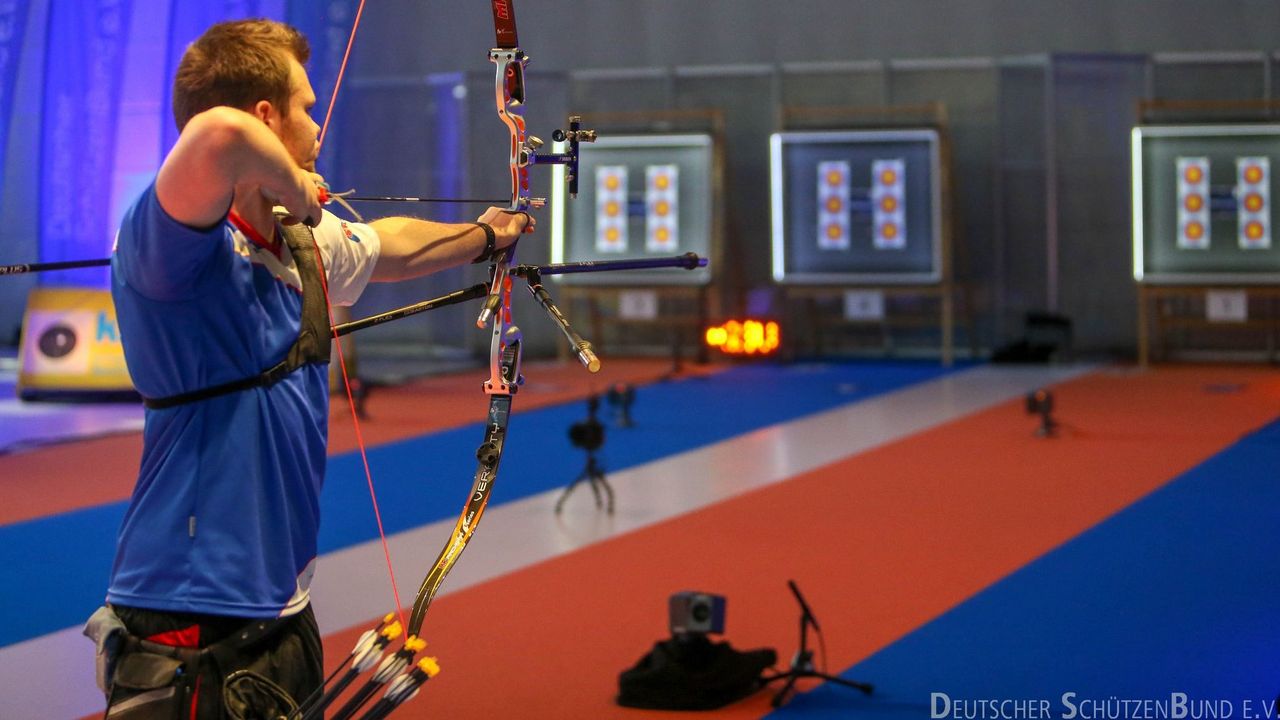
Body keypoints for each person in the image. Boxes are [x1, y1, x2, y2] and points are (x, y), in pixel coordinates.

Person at [83, 18, 529, 719]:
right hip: (190, 606)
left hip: (283, 603)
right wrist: (294, 184)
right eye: (306, 107)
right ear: (267, 115)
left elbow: (390, 248)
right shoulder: (166, 247)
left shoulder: (294, 241)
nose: (319, 124)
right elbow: (215, 136)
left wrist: (485, 235)